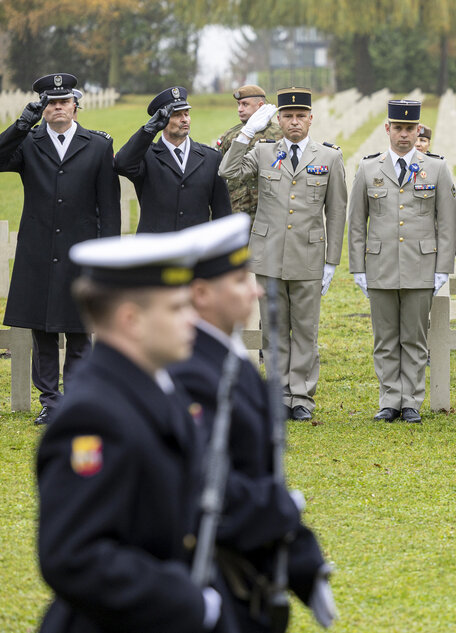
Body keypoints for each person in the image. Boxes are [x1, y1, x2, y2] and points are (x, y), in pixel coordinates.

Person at [36, 230, 227, 632]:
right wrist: (185, 601)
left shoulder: (158, 387)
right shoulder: (92, 415)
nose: (192, 319)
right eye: (176, 308)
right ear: (131, 320)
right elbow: (74, 556)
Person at [169, 215, 336, 631]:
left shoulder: (227, 362)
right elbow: (209, 483)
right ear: (202, 293)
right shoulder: (192, 371)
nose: (256, 289)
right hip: (209, 577)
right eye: (240, 281)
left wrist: (302, 563)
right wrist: (283, 510)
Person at [219, 87, 347, 422]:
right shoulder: (263, 152)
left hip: (308, 254)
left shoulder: (329, 157)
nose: (294, 122)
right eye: (288, 116)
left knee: (305, 330)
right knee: (273, 331)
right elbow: (227, 171)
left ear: (310, 119)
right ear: (279, 119)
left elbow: (336, 212)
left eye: (300, 116)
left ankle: (301, 396)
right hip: (269, 254)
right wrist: (247, 133)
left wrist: (332, 260)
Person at [0, 72, 121, 426]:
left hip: (82, 251)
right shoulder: (29, 141)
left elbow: (109, 207)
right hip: (38, 249)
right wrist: (21, 124)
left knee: (80, 329)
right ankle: (51, 400)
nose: (57, 108)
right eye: (50, 103)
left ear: (75, 105)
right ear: (43, 108)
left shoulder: (97, 145)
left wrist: (108, 258)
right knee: (44, 330)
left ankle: (79, 397)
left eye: (64, 101)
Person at [348, 100, 456, 423]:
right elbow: (357, 222)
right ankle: (389, 399)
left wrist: (443, 267)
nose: (404, 135)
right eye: (398, 128)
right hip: (380, 265)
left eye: (410, 129)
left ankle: (411, 400)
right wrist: (357, 267)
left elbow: (447, 221)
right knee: (384, 339)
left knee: (414, 337)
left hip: (420, 265)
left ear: (418, 129)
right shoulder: (369, 168)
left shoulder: (435, 168)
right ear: (388, 129)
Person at [115, 86, 231, 233]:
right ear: (161, 120)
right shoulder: (145, 156)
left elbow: (222, 214)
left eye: (186, 114)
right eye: (176, 115)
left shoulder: (211, 158)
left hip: (196, 244)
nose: (185, 119)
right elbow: (122, 164)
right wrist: (148, 131)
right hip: (156, 245)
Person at [216, 85, 283, 222]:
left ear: (260, 105)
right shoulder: (231, 136)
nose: (240, 109)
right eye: (238, 104)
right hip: (238, 214)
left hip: (271, 215)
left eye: (245, 104)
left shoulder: (281, 135)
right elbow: (219, 174)